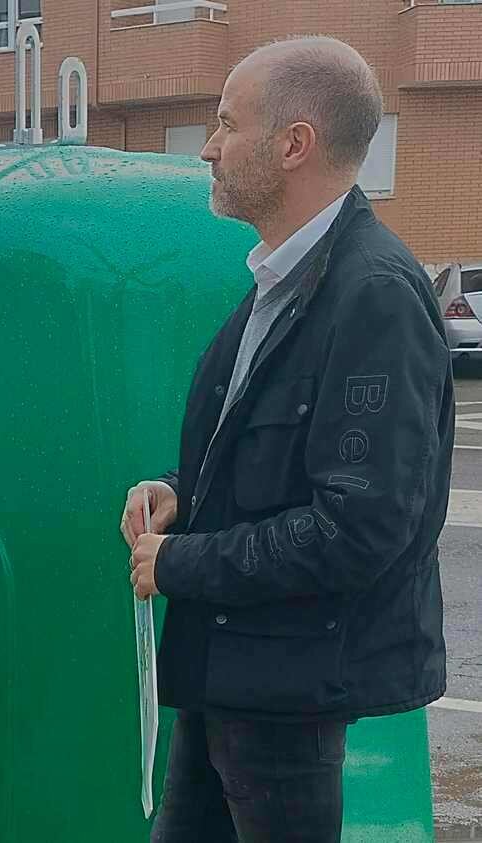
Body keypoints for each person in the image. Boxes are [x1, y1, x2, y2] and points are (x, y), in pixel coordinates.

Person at [119, 36, 451, 842]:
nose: (208, 146)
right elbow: (269, 463)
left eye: (226, 123)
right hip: (231, 676)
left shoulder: (373, 296)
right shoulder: (281, 279)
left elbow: (358, 527)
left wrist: (182, 562)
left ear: (294, 143)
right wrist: (180, 493)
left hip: (288, 692)